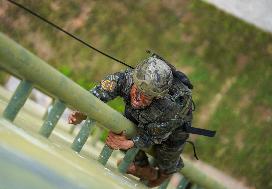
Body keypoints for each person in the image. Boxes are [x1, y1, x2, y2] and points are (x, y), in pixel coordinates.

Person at [68, 53, 214, 187]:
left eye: (147, 95)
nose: (138, 99)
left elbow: (155, 136)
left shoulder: (170, 107)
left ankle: (160, 175)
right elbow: (99, 93)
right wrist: (81, 113)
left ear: (158, 96)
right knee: (123, 128)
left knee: (167, 158)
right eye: (137, 90)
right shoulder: (125, 78)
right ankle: (143, 167)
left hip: (174, 126)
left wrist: (129, 143)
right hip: (140, 116)